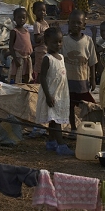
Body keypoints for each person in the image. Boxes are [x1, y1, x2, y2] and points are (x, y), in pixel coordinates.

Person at [35, 27, 74, 156]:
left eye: (60, 42)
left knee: (54, 119)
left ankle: (51, 142)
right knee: (56, 120)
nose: (58, 45)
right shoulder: (48, 58)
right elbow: (42, 78)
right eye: (54, 42)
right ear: (46, 43)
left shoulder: (61, 57)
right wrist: (48, 95)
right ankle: (61, 144)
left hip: (61, 93)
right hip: (51, 94)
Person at [62, 10, 97, 136]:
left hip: (82, 80)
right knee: (70, 106)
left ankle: (86, 126)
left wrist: (93, 79)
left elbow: (92, 61)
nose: (75, 25)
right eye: (73, 23)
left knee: (88, 105)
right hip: (68, 80)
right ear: (68, 23)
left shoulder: (87, 41)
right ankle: (72, 128)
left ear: (84, 25)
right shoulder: (64, 40)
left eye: (79, 23)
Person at [9, 7, 33, 84]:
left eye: (23, 18)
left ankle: (24, 90)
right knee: (16, 76)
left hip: (27, 59)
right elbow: (11, 46)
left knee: (26, 75)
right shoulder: (14, 31)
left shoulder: (27, 31)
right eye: (19, 17)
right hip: (18, 59)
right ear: (14, 19)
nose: (21, 19)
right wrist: (15, 59)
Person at [33, 1, 49, 82]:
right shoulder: (37, 24)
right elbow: (37, 39)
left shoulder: (45, 23)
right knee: (39, 71)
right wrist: (45, 34)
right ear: (34, 12)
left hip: (46, 50)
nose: (42, 12)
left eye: (44, 10)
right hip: (40, 51)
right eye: (39, 10)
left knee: (45, 69)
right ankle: (38, 85)